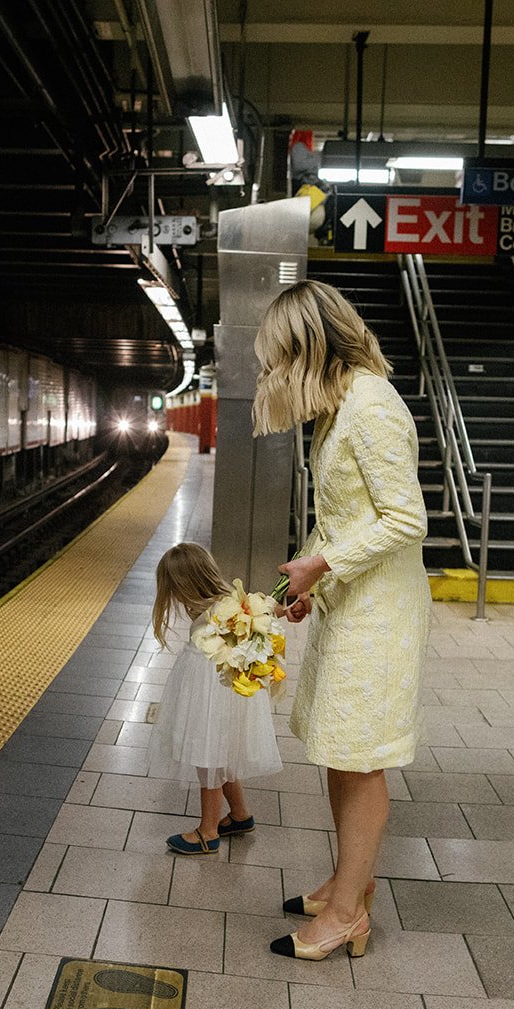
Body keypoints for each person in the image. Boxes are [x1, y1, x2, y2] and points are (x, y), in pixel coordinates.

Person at [252, 279, 430, 961]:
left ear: (310, 347)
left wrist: (322, 565)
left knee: (362, 761)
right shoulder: (338, 405)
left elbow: (406, 518)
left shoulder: (371, 406)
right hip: (351, 605)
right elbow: (345, 520)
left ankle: (350, 912)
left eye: (278, 357)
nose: (273, 373)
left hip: (379, 616)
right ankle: (343, 881)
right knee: (338, 748)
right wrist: (307, 578)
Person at [147, 542, 284, 854]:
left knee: (209, 761)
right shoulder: (231, 603)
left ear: (185, 586)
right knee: (224, 758)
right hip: (229, 695)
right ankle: (239, 815)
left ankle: (208, 832)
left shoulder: (211, 615)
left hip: (210, 697)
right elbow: (264, 613)